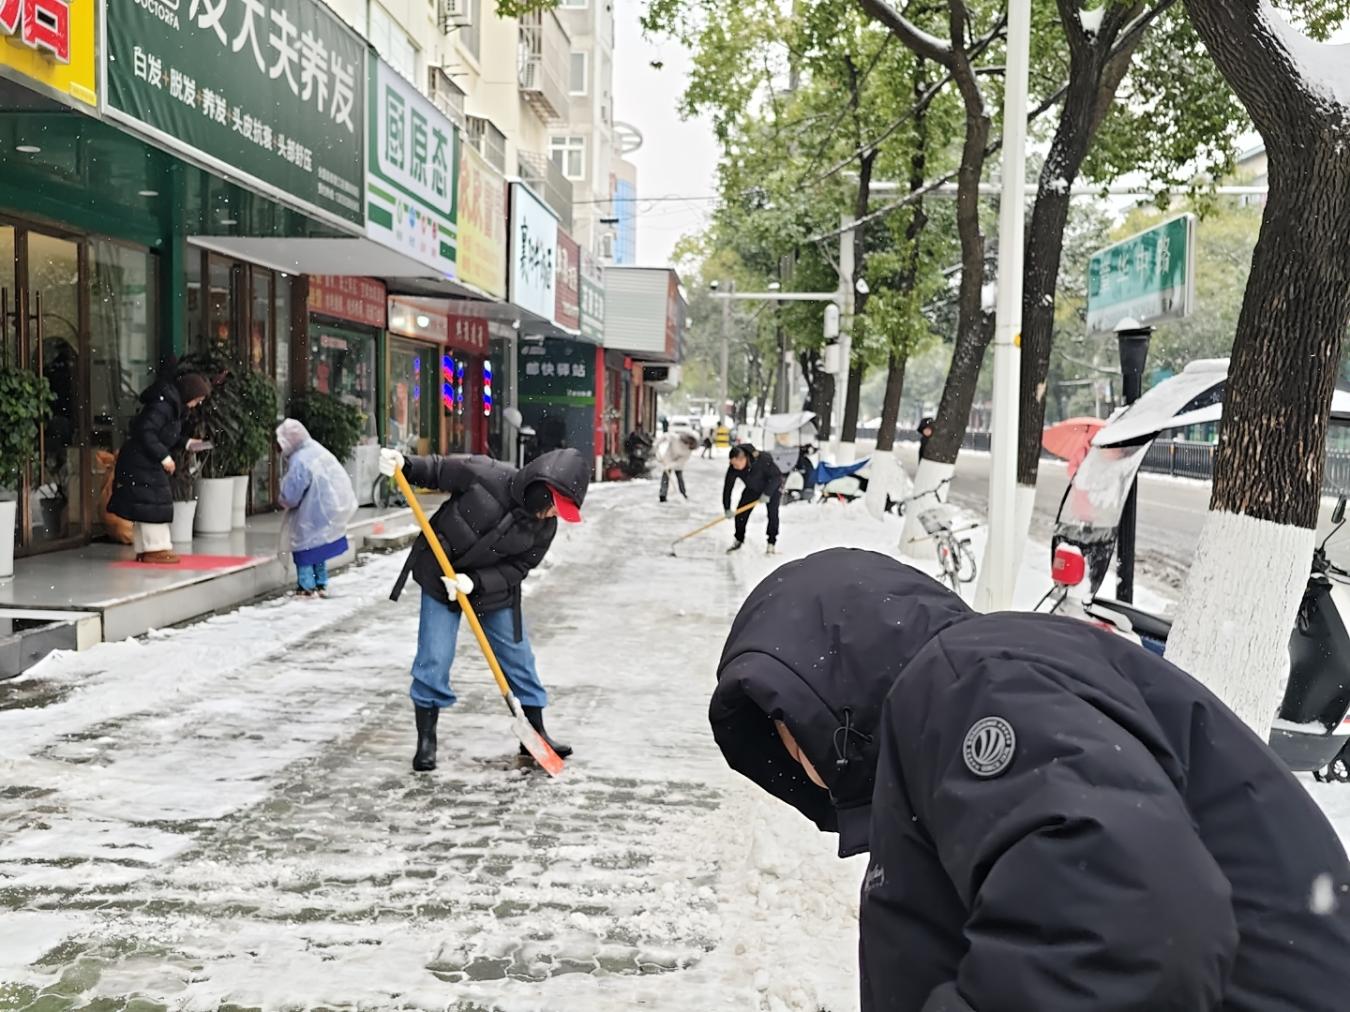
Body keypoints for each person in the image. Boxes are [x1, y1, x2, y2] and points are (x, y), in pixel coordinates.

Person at [710, 548, 1350, 1012]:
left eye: (786, 734)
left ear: (821, 697)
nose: (797, 764)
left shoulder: (969, 683)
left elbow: (1129, 930)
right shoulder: (952, 707)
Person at [382, 446, 590, 773]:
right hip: (440, 574)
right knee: (434, 657)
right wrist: (405, 465)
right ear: (540, 488)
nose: (554, 516)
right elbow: (437, 469)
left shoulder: (544, 528)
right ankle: (426, 739)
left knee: (517, 657)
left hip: (490, 588)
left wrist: (475, 582)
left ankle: (534, 733)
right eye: (554, 506)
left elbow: (519, 567)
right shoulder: (486, 475)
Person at [107, 371, 212, 564]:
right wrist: (164, 457)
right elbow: (146, 431)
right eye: (197, 399)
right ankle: (155, 548)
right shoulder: (163, 406)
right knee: (153, 503)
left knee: (148, 504)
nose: (197, 404)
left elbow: (162, 434)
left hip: (143, 458)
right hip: (141, 460)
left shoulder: (171, 406)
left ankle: (150, 548)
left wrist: (187, 443)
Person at [276, 418, 358, 598]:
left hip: (311, 511)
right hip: (329, 508)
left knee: (305, 547)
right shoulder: (318, 451)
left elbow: (291, 495)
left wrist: (283, 499)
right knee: (318, 546)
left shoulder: (299, 460)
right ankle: (321, 583)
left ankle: (306, 587)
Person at [722, 443, 782, 555]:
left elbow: (777, 477)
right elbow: (727, 488)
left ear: (743, 458)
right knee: (741, 513)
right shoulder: (733, 468)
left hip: (772, 488)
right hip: (753, 489)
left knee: (772, 514)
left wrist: (767, 493)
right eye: (732, 464)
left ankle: (771, 543)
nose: (735, 467)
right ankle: (738, 539)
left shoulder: (762, 460)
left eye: (737, 464)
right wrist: (727, 508)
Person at [654, 430, 697, 502]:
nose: (688, 445)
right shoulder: (675, 438)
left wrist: (670, 466)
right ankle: (663, 495)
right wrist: (657, 444)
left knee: (680, 477)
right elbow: (665, 436)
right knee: (665, 478)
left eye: (691, 444)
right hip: (668, 458)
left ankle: (683, 493)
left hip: (678, 464)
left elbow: (680, 461)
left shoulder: (688, 451)